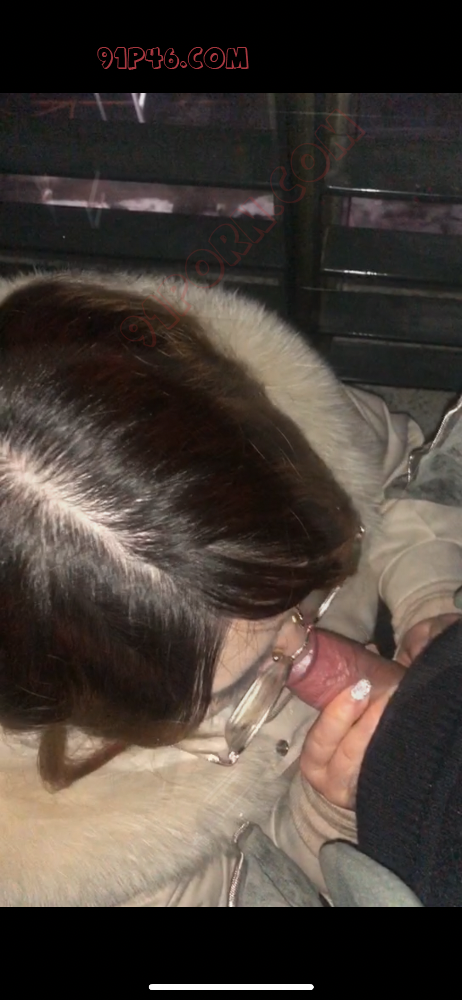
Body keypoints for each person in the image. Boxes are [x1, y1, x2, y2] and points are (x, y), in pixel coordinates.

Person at [0, 267, 460, 906]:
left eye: (298, 589)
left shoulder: (245, 414)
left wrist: (430, 598)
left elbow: (406, 467)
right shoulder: (73, 862)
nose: (308, 645)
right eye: (231, 689)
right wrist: (324, 822)